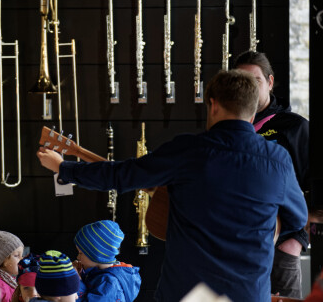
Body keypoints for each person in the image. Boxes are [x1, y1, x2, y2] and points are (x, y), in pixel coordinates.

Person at [37, 70, 308, 302]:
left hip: (186, 292)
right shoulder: (278, 160)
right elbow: (298, 217)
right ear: (252, 110)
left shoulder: (186, 151)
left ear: (213, 105)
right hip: (247, 293)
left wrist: (64, 168)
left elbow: (120, 175)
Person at [233, 51, 310, 299]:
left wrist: (296, 240)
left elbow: (311, 184)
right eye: (242, 81)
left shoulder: (295, 127)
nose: (249, 88)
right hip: (236, 245)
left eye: (255, 80)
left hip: (281, 245)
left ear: (270, 82)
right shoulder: (228, 127)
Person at [73, 220, 141, 301]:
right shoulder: (101, 273)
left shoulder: (109, 284)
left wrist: (76, 282)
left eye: (81, 253)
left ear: (97, 255)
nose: (78, 257)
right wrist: (81, 275)